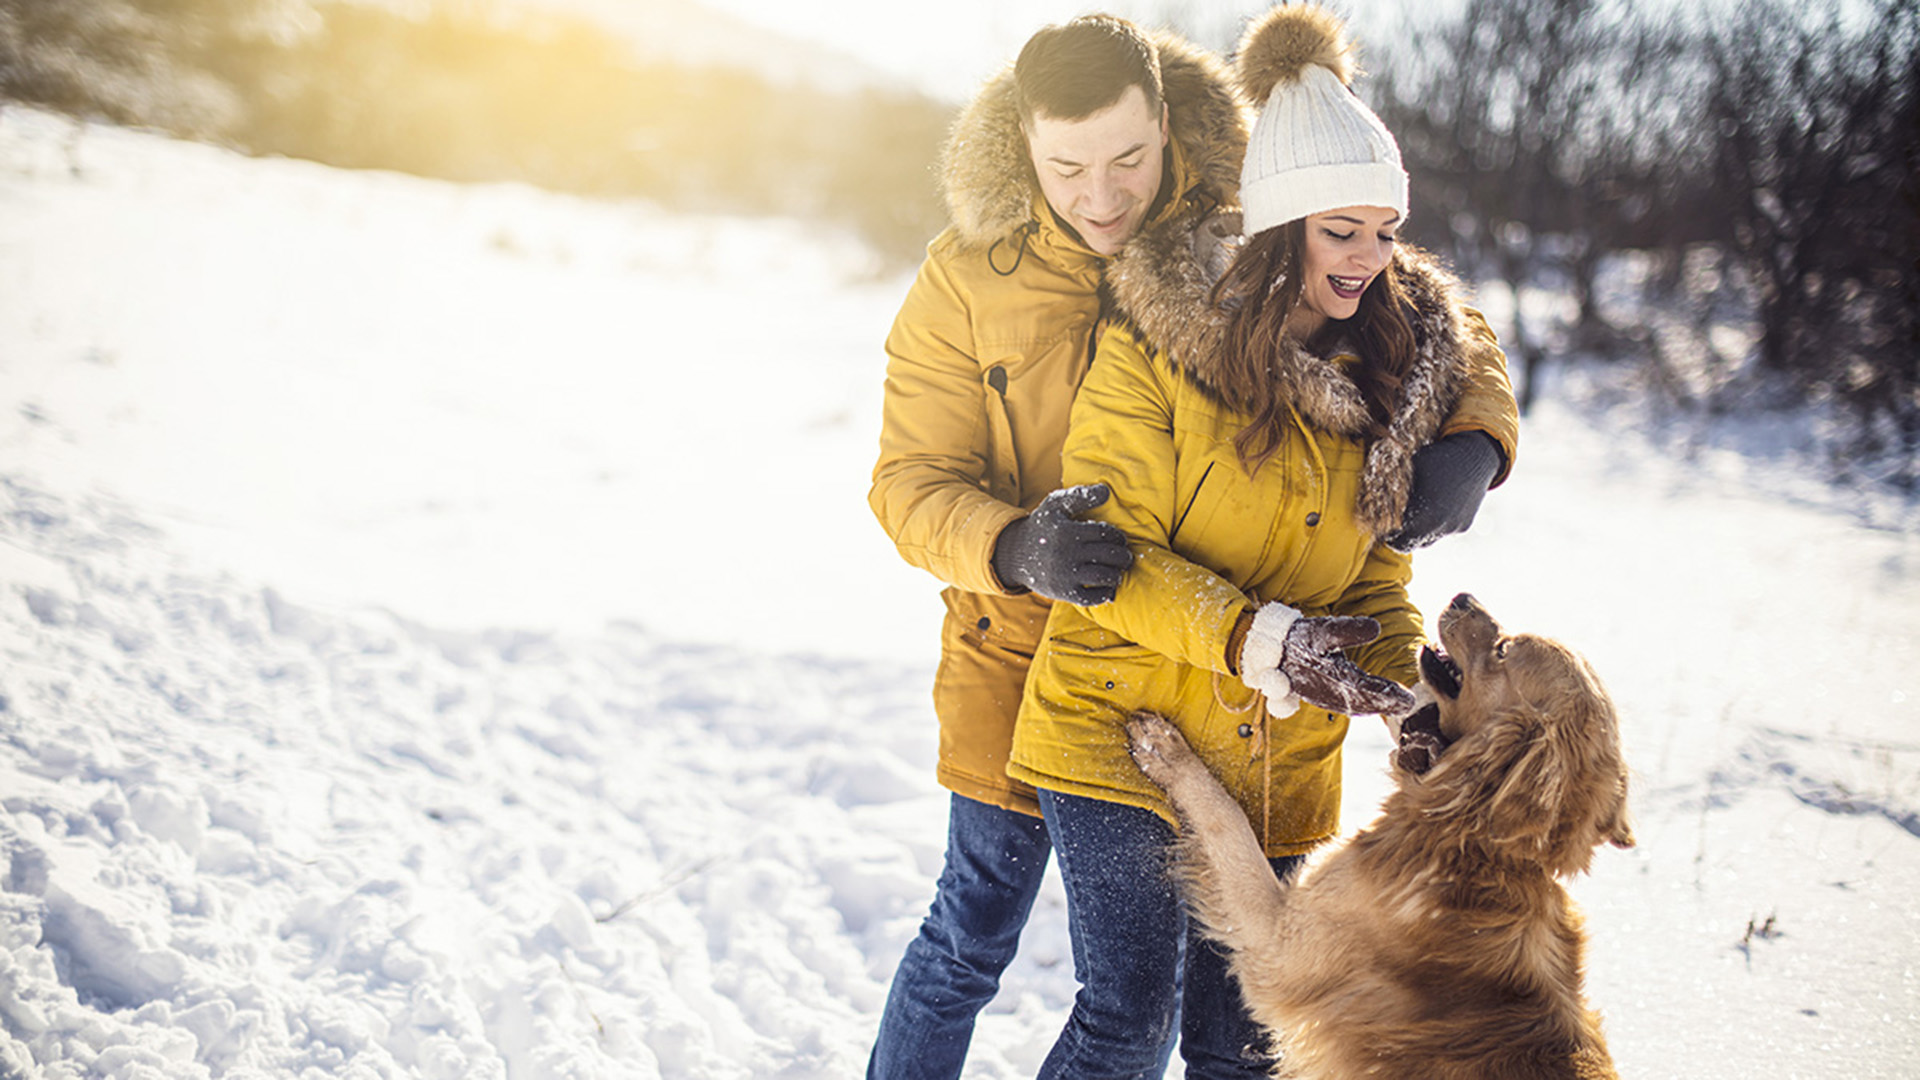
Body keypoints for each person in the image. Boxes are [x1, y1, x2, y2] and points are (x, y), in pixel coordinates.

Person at [867, 12, 1514, 1079]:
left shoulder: (1233, 226)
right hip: (1021, 645)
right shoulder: (966, 278)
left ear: (1167, 126)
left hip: (1197, 666)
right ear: (1024, 142)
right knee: (970, 940)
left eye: (1129, 157)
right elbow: (907, 484)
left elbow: (1413, 293)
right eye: (1067, 165)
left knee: (1204, 1017)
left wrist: (1475, 437)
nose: (1103, 194)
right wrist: (1014, 545)